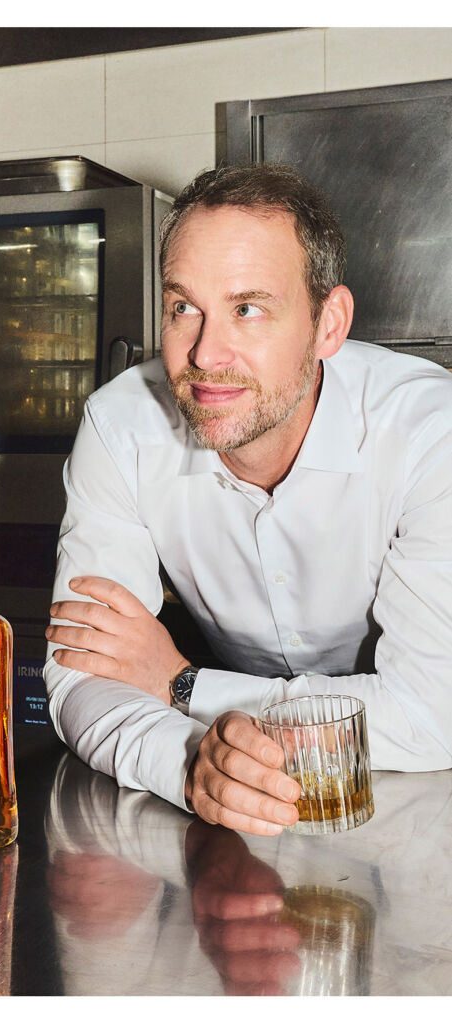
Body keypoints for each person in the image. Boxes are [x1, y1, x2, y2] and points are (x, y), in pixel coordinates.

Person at [43, 162, 452, 837]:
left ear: (328, 324)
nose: (205, 351)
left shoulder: (427, 434)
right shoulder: (120, 429)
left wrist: (181, 685)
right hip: (236, 819)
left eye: (247, 309)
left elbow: (434, 713)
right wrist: (184, 765)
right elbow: (80, 673)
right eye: (183, 308)